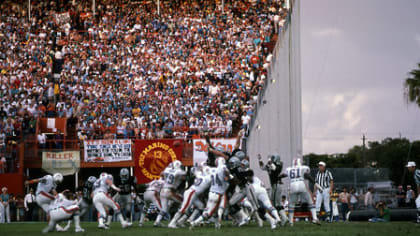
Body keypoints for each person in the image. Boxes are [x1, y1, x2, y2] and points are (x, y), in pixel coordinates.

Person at [190, 158, 231, 229]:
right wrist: (228, 176)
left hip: (211, 192)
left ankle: (217, 225)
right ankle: (195, 223)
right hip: (217, 194)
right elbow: (226, 173)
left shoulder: (213, 170)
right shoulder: (223, 167)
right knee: (209, 213)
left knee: (213, 210)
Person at [283, 158, 321, 226]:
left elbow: (284, 175)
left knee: (291, 205)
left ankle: (291, 222)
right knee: (310, 202)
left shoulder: (288, 169)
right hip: (301, 184)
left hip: (292, 185)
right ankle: (315, 218)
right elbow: (307, 175)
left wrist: (278, 178)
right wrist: (315, 183)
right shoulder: (303, 168)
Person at [155, 160, 186, 227]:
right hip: (169, 191)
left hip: (162, 190)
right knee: (184, 202)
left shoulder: (167, 169)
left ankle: (157, 221)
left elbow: (161, 174)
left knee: (164, 209)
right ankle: (174, 222)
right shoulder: (179, 171)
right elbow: (184, 177)